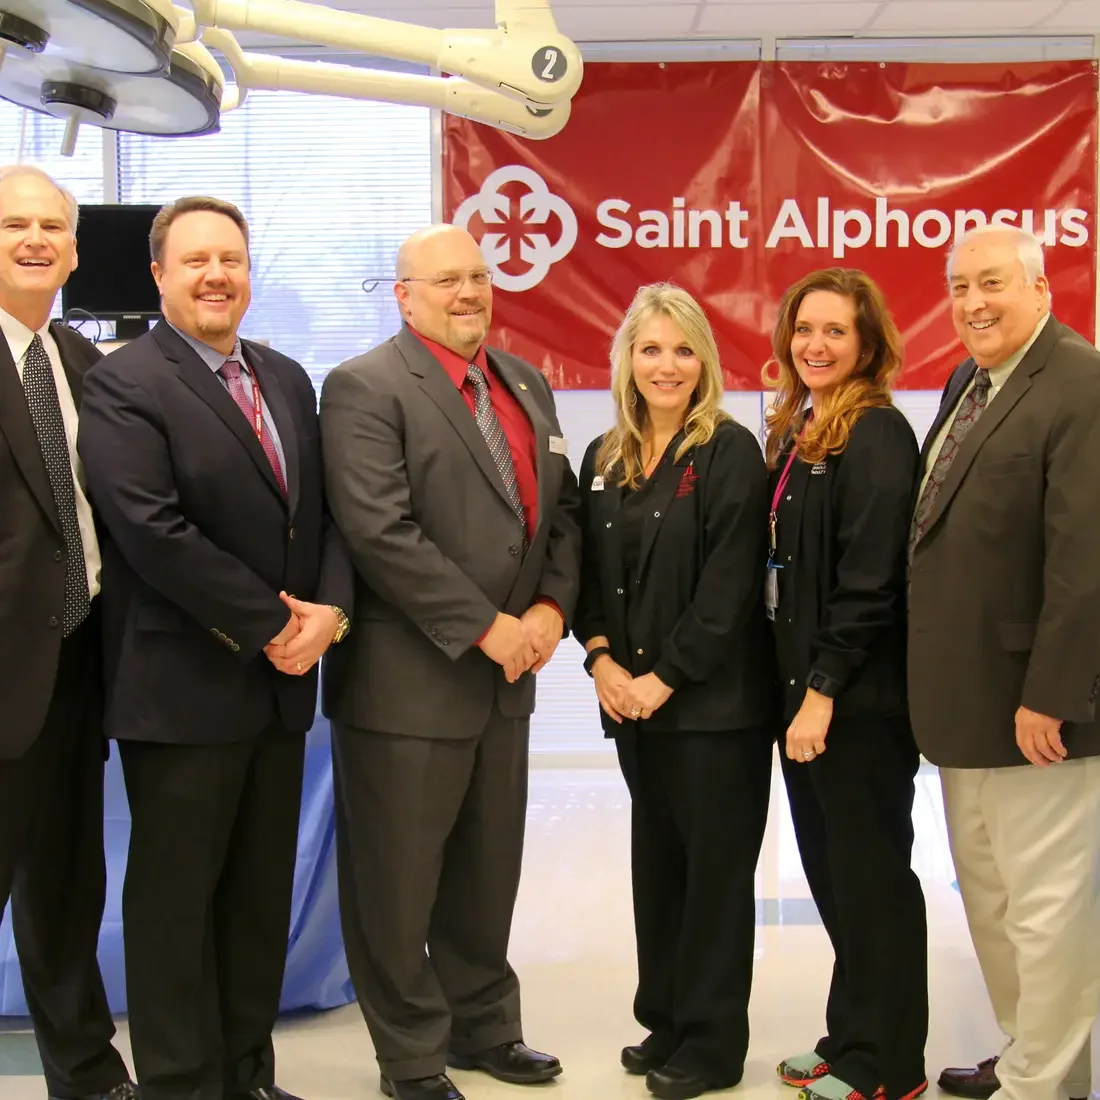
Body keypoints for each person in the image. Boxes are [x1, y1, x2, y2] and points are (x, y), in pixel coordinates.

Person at [77, 196, 353, 1100]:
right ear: (159, 275)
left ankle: (248, 1075)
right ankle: (183, 1085)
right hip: (183, 690)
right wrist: (276, 624)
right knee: (175, 911)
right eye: (195, 260)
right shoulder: (124, 383)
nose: (215, 275)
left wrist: (329, 615)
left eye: (230, 258)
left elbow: (322, 519)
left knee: (254, 905)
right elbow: (151, 532)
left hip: (277, 695)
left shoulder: (284, 376)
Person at [319, 223, 581, 1100]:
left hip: (504, 688)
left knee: (485, 872)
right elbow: (379, 531)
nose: (467, 292)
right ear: (404, 294)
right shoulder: (365, 387)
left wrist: (549, 608)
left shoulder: (525, 382)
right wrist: (486, 627)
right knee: (397, 887)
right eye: (445, 281)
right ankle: (412, 1058)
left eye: (477, 276)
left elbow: (560, 516)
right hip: (408, 688)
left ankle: (485, 1030)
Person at [908, 225, 1100, 1100]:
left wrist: (1051, 696)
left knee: (1048, 913)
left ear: (1041, 288)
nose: (973, 303)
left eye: (992, 283)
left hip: (1039, 712)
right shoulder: (971, 380)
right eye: (958, 287)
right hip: (966, 705)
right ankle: (1029, 1051)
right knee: (991, 904)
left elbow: (1084, 561)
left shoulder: (1080, 382)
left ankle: (1046, 1083)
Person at [572, 283, 775, 1100]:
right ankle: (667, 1019)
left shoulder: (727, 451)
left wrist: (664, 675)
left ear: (705, 362)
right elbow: (587, 575)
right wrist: (599, 660)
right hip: (632, 706)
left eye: (683, 350)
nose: (667, 365)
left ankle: (714, 1042)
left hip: (713, 710)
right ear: (627, 358)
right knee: (658, 869)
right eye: (650, 348)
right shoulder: (604, 457)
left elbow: (727, 587)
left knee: (714, 877)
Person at [763, 268, 928, 1100]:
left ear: (868, 344)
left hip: (855, 705)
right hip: (807, 700)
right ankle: (849, 1035)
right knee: (837, 879)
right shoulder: (804, 428)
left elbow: (871, 581)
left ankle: (888, 1066)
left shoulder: (877, 434)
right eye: (804, 330)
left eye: (835, 331)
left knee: (873, 881)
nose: (817, 345)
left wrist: (822, 689)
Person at [0, 165, 136, 1100]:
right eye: (14, 223)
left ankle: (86, 1075)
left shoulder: (85, 367)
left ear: (76, 251)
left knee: (64, 893)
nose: (36, 239)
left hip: (76, 668)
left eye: (53, 225)